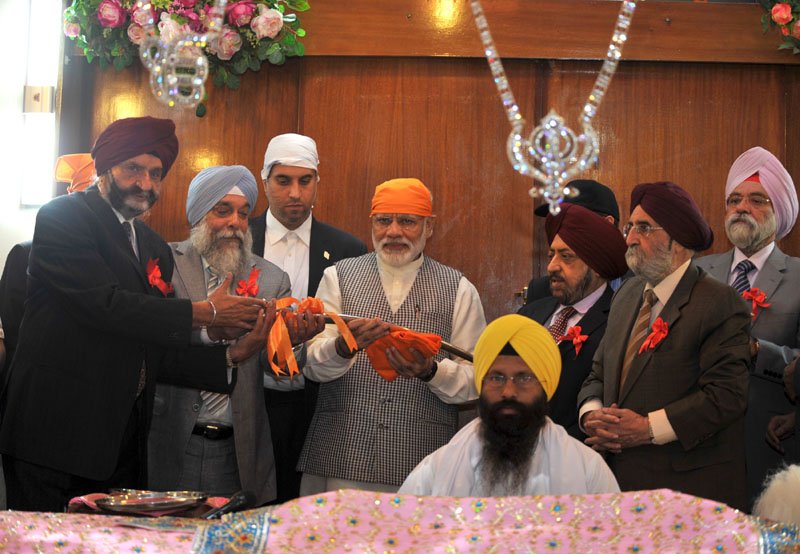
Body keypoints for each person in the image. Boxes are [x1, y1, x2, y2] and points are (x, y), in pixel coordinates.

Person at [0, 117, 268, 512]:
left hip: (119, 442)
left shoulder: (150, 243)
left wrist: (230, 355)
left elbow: (149, 344)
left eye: (156, 173)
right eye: (133, 169)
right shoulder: (62, 218)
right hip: (53, 437)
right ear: (105, 168)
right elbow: (104, 306)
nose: (145, 183)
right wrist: (206, 312)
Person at [148, 165, 324, 506]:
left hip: (237, 449)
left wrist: (292, 345)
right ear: (198, 215)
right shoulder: (165, 263)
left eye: (243, 214)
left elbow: (274, 371)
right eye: (223, 211)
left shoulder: (271, 279)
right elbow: (154, 339)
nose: (235, 223)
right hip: (168, 440)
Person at [298, 178, 486, 494]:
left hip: (423, 461)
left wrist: (431, 372)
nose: (394, 231)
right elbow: (311, 363)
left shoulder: (459, 289)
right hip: (342, 455)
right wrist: (343, 349)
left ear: (429, 227)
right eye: (384, 220)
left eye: (407, 221)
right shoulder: (338, 277)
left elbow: (477, 379)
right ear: (372, 224)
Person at [577, 181, 751, 510]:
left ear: (678, 239)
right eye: (630, 227)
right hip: (620, 489)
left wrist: (646, 428)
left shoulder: (719, 302)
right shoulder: (627, 296)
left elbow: (727, 396)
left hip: (690, 495)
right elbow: (597, 374)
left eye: (643, 227)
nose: (628, 238)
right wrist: (592, 415)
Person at [249, 133, 367, 503]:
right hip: (248, 398)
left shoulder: (349, 249)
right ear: (265, 181)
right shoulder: (238, 237)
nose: (295, 193)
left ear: (318, 182)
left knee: (304, 509)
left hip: (317, 403)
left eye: (305, 181)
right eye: (283, 181)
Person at [399, 314, 619, 496]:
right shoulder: (439, 469)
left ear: (545, 387)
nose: (508, 391)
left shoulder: (587, 469)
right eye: (496, 378)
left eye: (523, 378)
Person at [695, 146, 800, 505]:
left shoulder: (799, 276)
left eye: (757, 200)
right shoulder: (696, 273)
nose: (741, 207)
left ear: (779, 212)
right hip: (697, 449)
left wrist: (761, 352)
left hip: (769, 443)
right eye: (734, 199)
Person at [518, 203, 628, 438]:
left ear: (597, 266)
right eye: (551, 255)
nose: (552, 266)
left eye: (566, 257)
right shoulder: (529, 315)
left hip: (578, 460)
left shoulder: (620, 321)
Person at [525, 179, 623, 304]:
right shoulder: (541, 290)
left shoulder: (641, 288)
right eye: (557, 222)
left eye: (573, 221)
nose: (560, 230)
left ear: (607, 224)